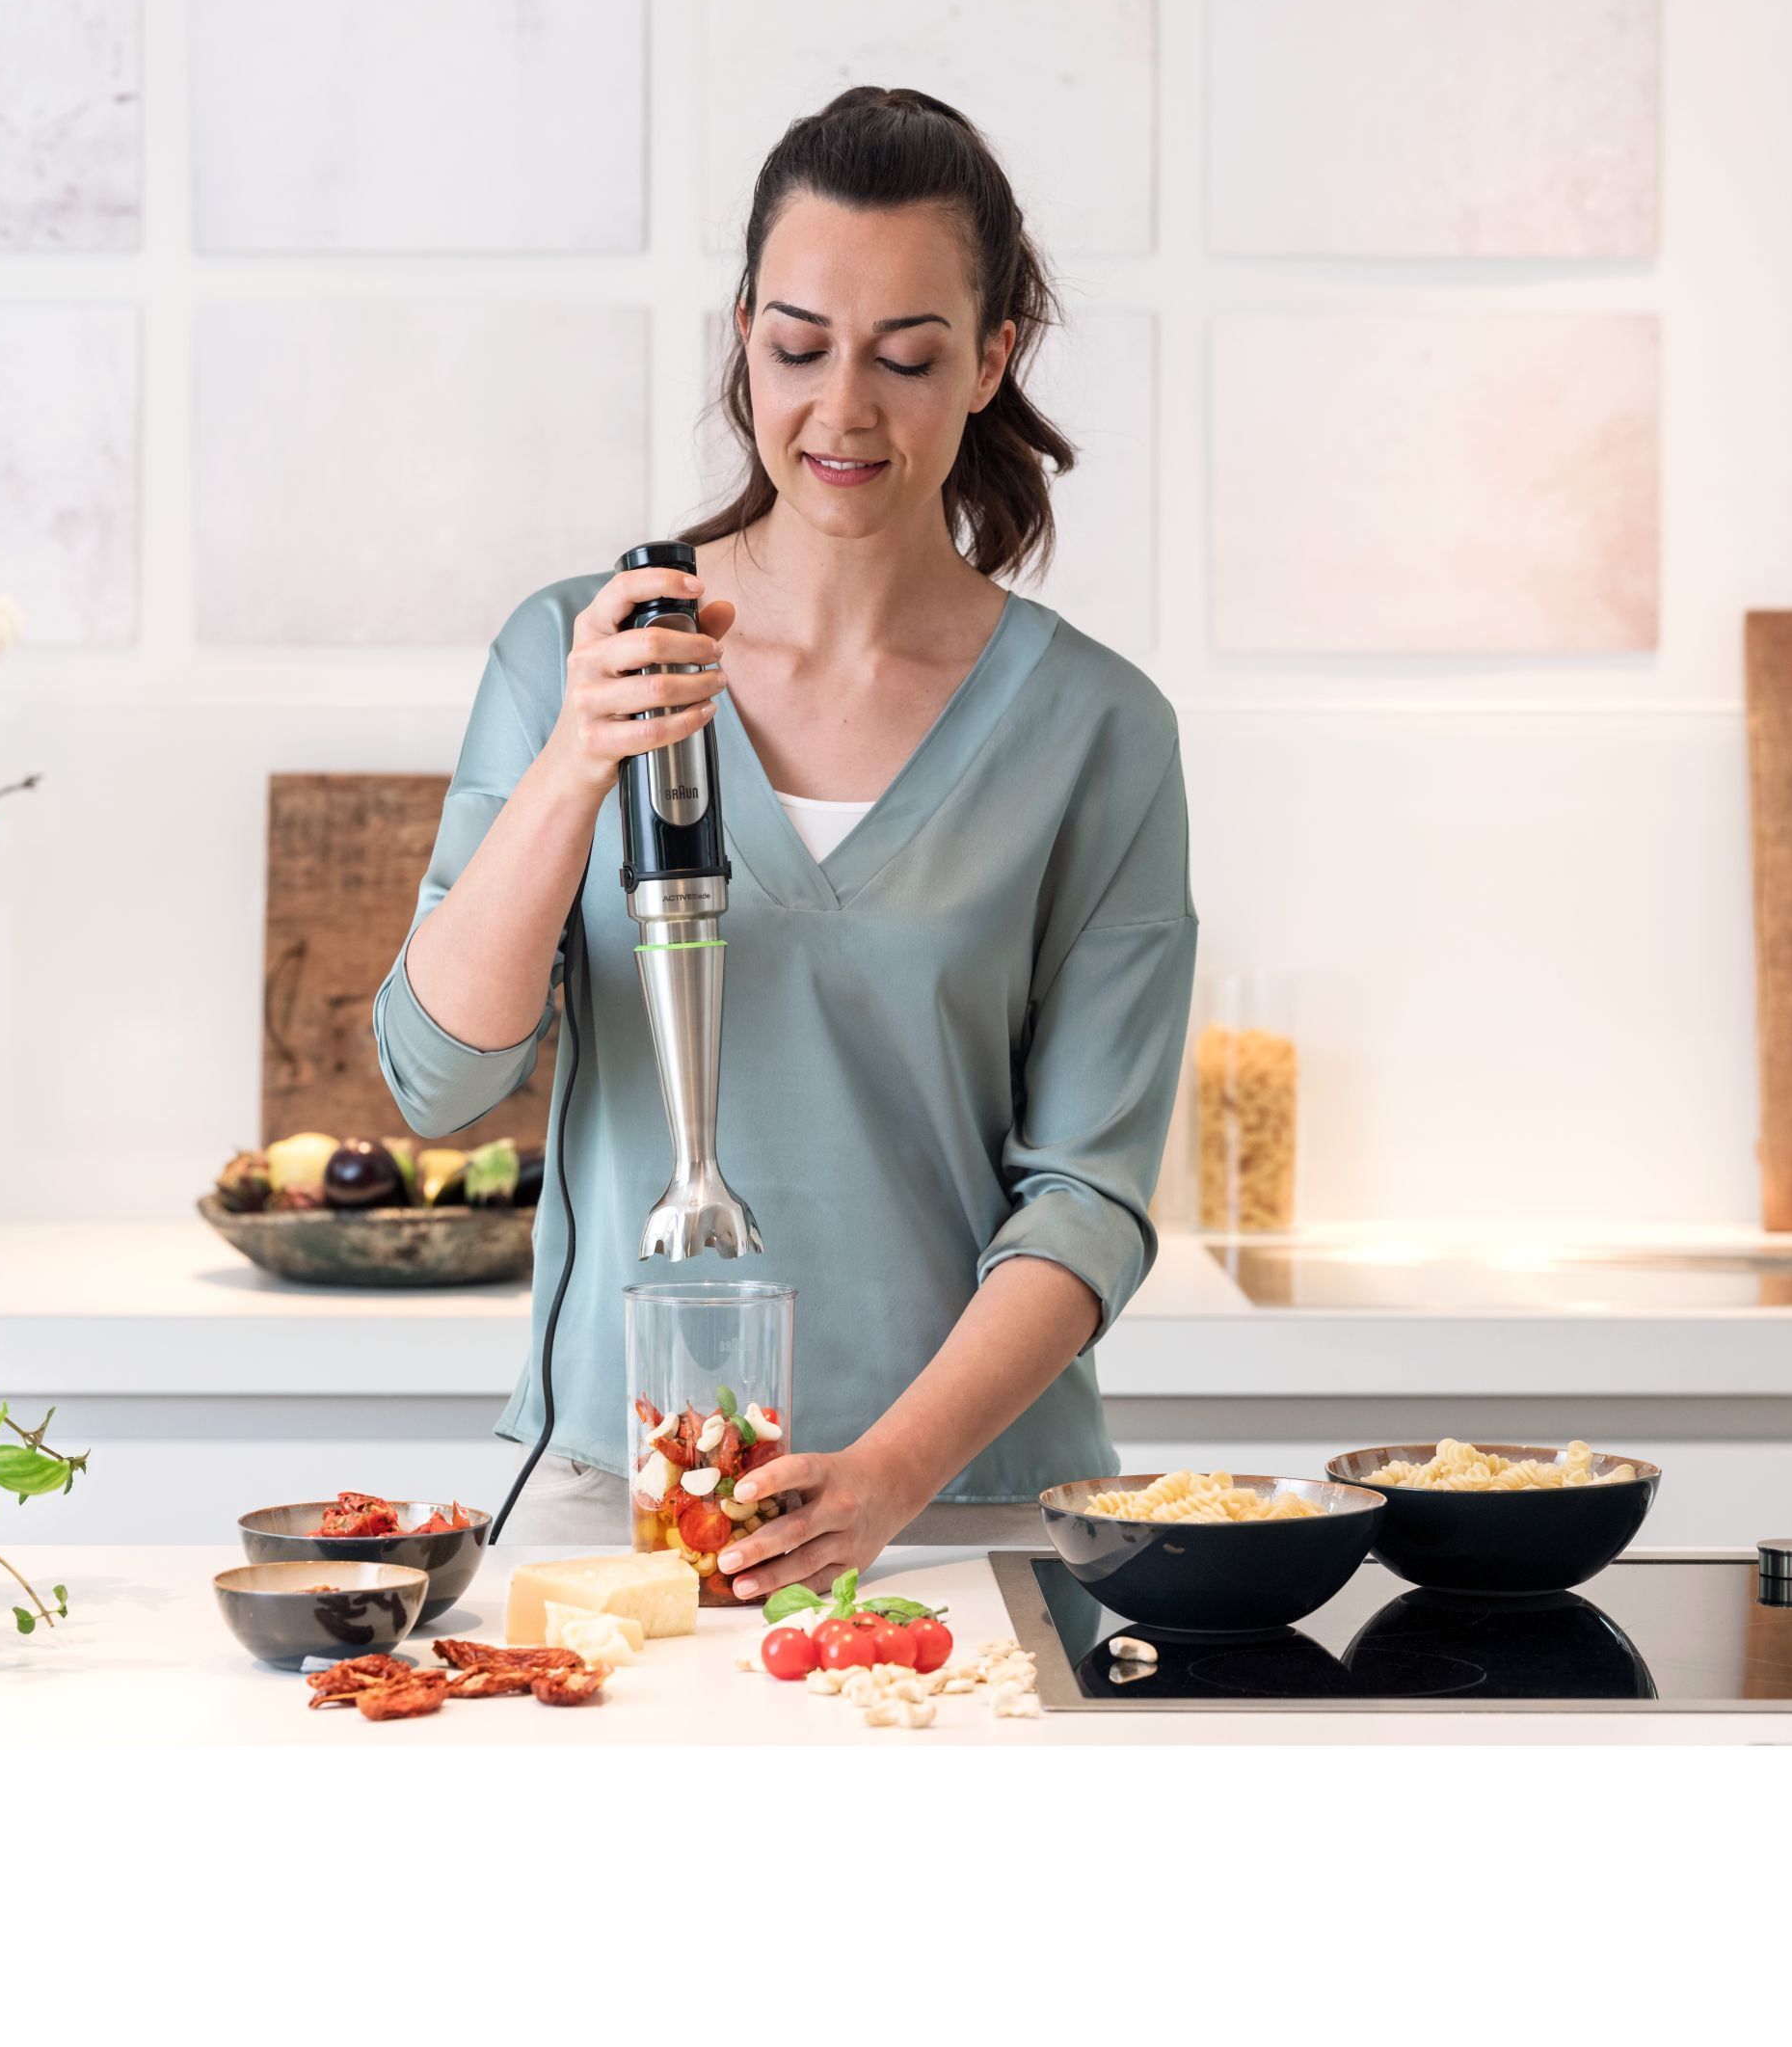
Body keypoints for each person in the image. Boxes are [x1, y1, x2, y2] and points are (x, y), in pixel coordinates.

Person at [374, 85, 1197, 1595]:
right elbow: (440, 1080)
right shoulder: (572, 651)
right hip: (629, 1496)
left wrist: (886, 1476)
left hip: (967, 1513)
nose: (844, 410)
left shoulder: (1097, 733)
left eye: (908, 357)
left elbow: (1089, 1198)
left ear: (992, 359)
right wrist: (576, 760)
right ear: (744, 331)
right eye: (800, 347)